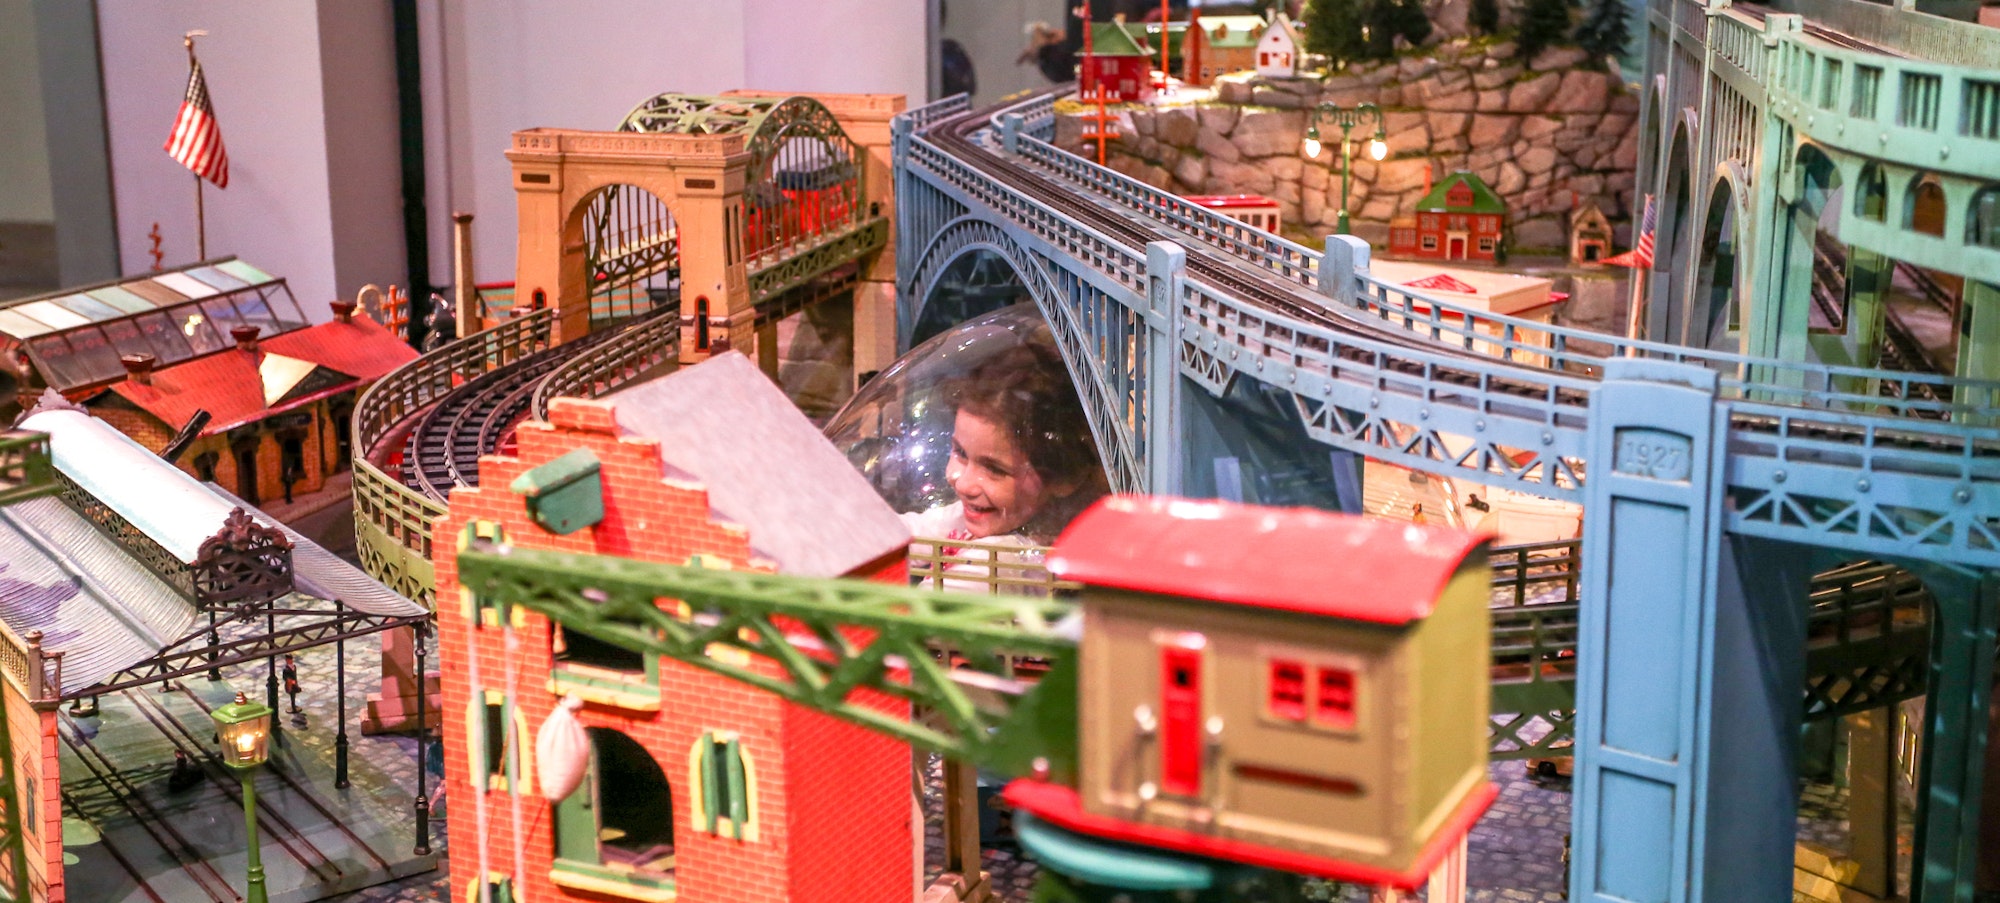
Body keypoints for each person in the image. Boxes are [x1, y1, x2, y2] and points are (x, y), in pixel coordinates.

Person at [902, 341, 1109, 593]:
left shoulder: (1008, 561)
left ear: (1061, 478)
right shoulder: (1003, 516)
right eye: (960, 452)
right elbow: (905, 532)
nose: (963, 482)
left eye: (994, 470)